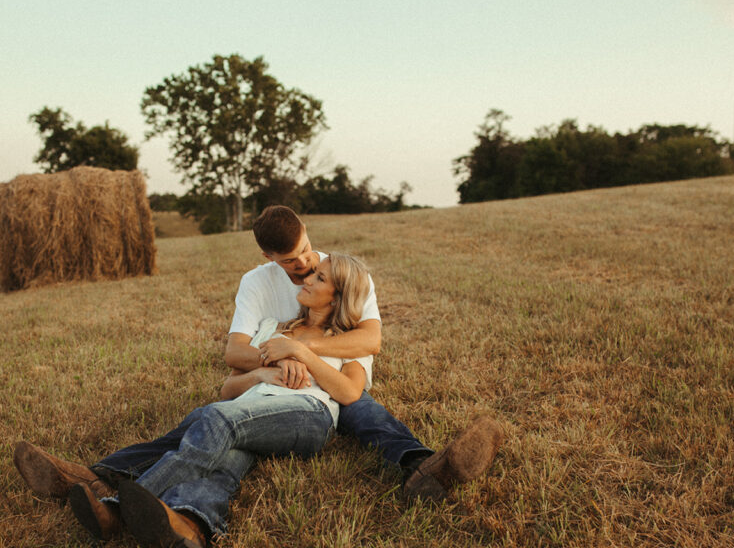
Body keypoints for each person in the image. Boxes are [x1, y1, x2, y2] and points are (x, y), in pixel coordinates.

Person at [81, 205, 499, 501]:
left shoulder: (344, 275)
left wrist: (303, 349)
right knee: (214, 426)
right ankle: (139, 491)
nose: (305, 265)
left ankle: (422, 464)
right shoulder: (259, 287)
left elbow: (369, 340)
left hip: (320, 390)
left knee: (357, 406)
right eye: (291, 261)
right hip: (270, 390)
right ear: (268, 257)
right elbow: (235, 353)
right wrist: (276, 358)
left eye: (306, 251)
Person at [19, 253, 375, 548]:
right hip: (247, 412)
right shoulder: (274, 330)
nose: (307, 278)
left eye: (320, 277)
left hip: (307, 416)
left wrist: (301, 353)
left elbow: (349, 393)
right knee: (224, 454)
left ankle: (112, 504)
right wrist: (261, 374)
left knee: (213, 418)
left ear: (338, 296)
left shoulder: (348, 343)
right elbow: (228, 389)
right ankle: (187, 522)